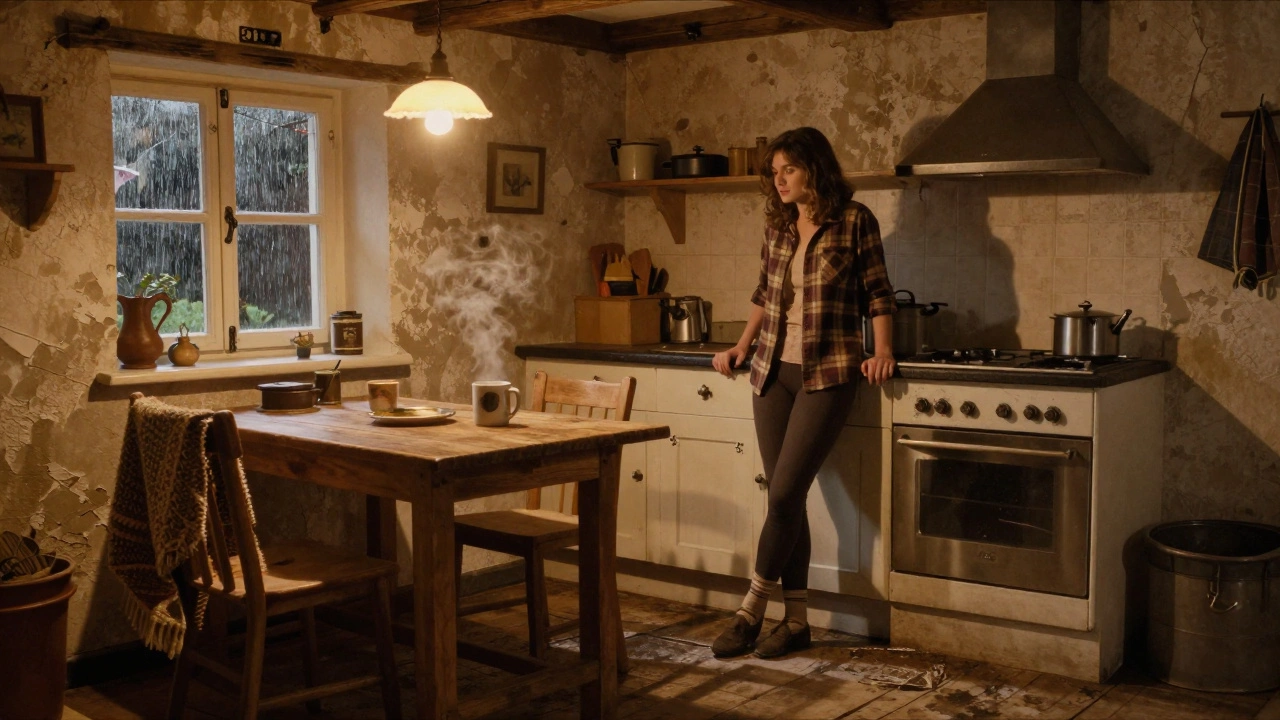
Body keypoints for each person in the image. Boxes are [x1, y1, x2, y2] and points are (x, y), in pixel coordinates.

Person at [710, 127, 896, 659]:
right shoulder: (779, 226)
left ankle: (750, 610)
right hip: (771, 370)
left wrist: (881, 351)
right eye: (774, 172)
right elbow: (766, 295)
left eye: (787, 169)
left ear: (814, 167)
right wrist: (740, 347)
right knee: (783, 499)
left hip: (828, 370)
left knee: (786, 493)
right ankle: (797, 623)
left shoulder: (855, 220)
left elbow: (878, 293)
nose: (779, 180)